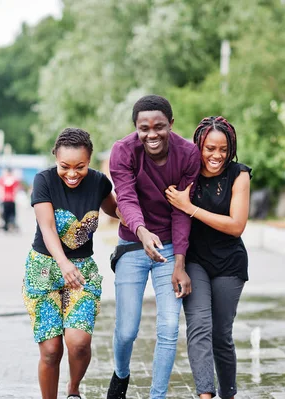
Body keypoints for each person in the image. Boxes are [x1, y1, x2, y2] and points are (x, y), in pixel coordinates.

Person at [107, 95, 201, 399]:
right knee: (126, 331)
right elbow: (126, 197)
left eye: (159, 127)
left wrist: (179, 261)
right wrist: (142, 231)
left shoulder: (188, 155)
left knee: (170, 327)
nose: (151, 134)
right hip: (133, 244)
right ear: (135, 127)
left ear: (171, 124)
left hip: (171, 247)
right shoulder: (123, 151)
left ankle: (156, 396)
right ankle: (121, 375)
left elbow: (182, 210)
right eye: (143, 128)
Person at [22, 128, 118, 399]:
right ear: (55, 158)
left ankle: (73, 389)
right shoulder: (44, 181)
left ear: (89, 161)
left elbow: (114, 209)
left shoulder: (98, 182)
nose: (73, 173)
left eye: (81, 167)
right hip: (44, 270)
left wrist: (138, 214)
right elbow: (48, 227)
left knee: (79, 345)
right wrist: (63, 263)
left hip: (82, 271)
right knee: (51, 350)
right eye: (65, 166)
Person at [165, 116, 251, 399]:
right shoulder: (187, 174)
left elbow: (236, 225)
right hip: (194, 261)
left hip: (230, 262)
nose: (217, 155)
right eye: (210, 148)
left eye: (223, 149)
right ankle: (205, 395)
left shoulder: (239, 175)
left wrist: (190, 208)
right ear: (199, 146)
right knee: (199, 327)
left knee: (221, 335)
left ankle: (229, 394)